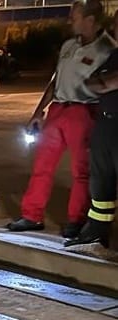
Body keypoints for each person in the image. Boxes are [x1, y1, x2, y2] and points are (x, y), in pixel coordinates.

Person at [7, 0, 114, 238]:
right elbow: (55, 80)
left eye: (74, 17)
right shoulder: (68, 45)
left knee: (81, 171)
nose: (69, 21)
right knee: (42, 166)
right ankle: (32, 215)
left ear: (90, 20)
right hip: (58, 110)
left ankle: (76, 220)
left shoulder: (107, 49)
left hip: (85, 111)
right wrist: (39, 111)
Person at [66, 13, 118, 248]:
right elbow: (93, 82)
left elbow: (103, 83)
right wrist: (105, 82)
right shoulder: (114, 55)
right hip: (106, 124)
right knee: (101, 182)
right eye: (116, 25)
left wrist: (105, 82)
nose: (116, 29)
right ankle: (96, 230)